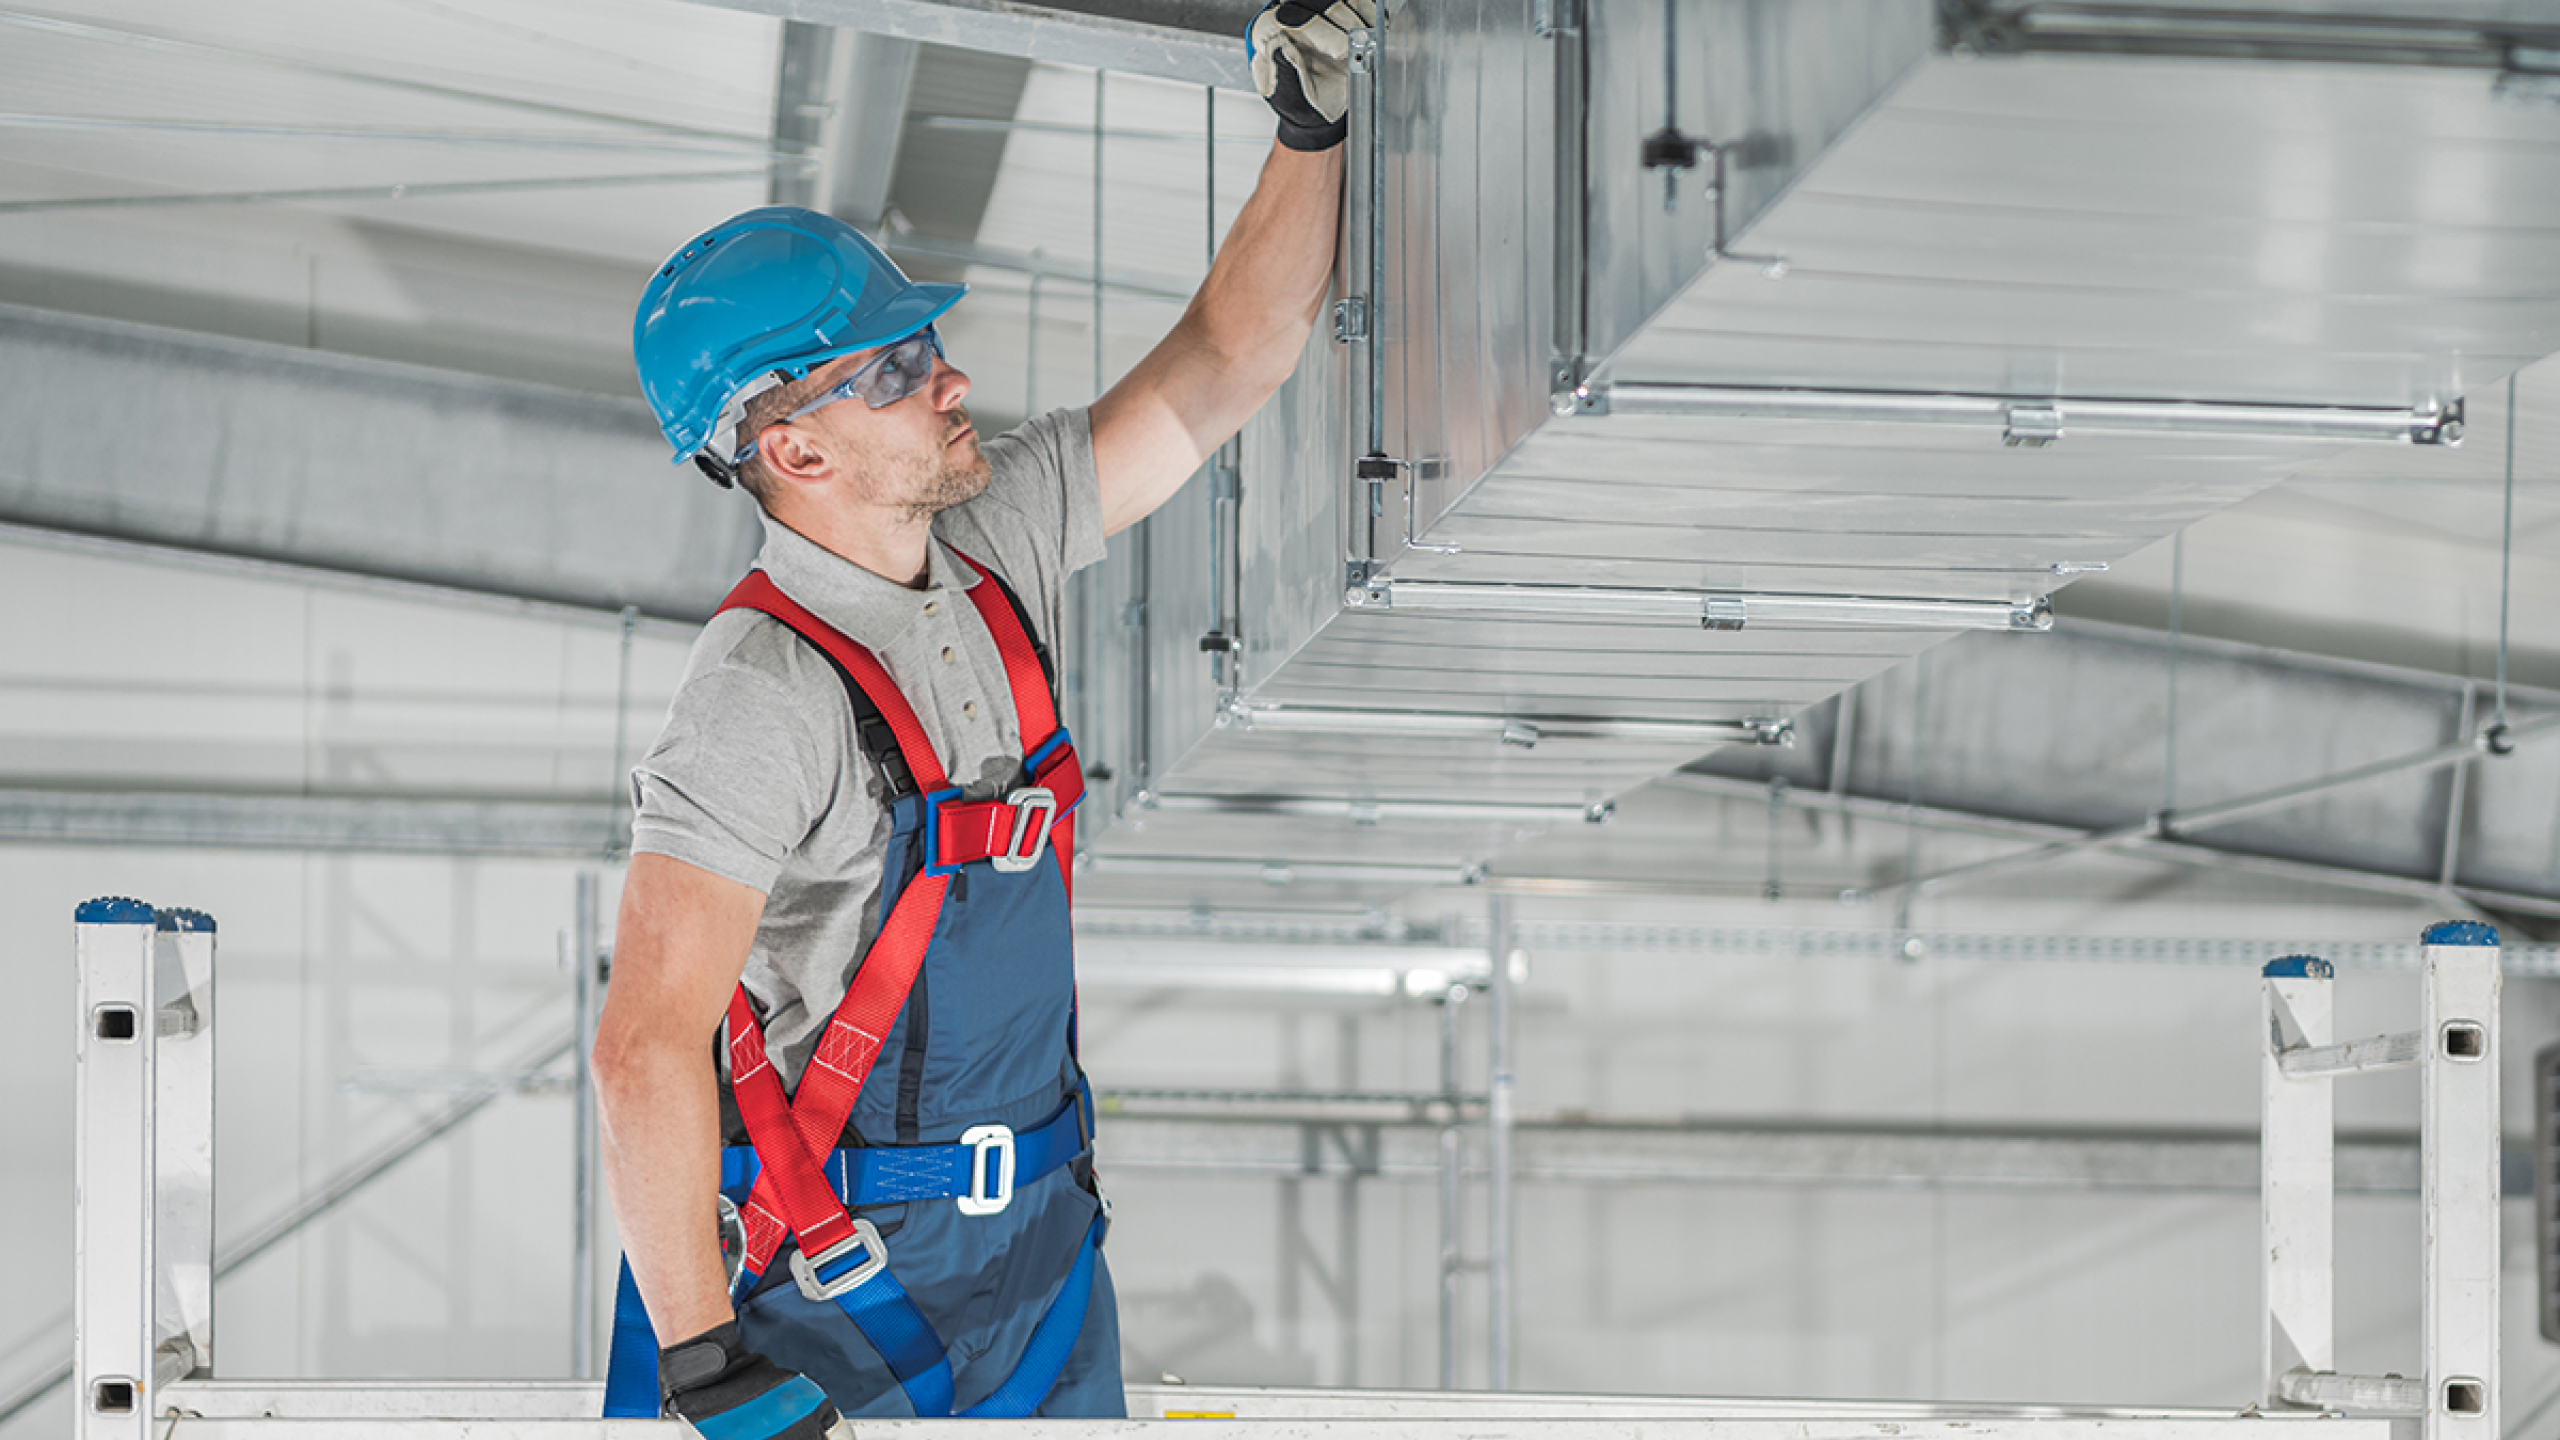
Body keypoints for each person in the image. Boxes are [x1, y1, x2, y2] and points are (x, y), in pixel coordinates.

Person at [591, 3, 1377, 1436]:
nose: (948, 378)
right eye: (895, 368)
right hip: (833, 1292)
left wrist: (1309, 127)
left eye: (926, 342)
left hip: (1044, 1261)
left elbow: (1224, 360)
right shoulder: (762, 696)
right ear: (797, 445)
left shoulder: (996, 536)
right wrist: (707, 1364)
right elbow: (644, 1044)